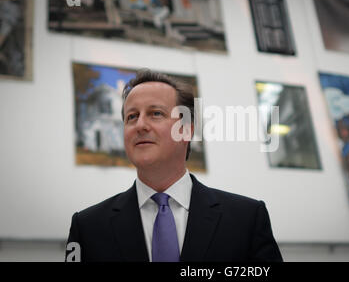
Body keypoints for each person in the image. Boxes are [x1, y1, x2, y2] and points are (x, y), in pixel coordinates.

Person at [65, 69, 283, 262]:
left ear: (186, 130)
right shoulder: (87, 227)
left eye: (155, 113)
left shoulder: (246, 219)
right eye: (132, 116)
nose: (140, 125)